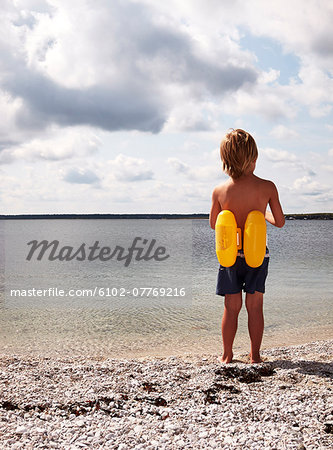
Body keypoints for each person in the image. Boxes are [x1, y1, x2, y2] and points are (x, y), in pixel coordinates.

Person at [209, 129, 285, 364]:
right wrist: (262, 218)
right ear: (254, 157)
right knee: (255, 306)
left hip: (230, 256)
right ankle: (255, 355)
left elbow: (214, 224)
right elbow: (280, 221)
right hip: (257, 256)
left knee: (231, 307)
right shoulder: (267, 187)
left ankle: (227, 354)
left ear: (225, 160)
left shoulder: (220, 191)